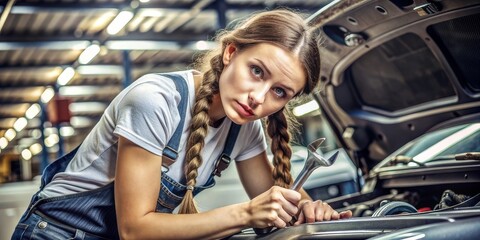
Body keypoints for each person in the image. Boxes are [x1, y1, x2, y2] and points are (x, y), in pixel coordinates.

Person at [12, 9, 352, 240]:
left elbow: (272, 199)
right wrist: (247, 213)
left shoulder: (244, 127)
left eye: (279, 91)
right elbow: (135, 229)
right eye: (257, 71)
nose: (257, 98)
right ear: (231, 52)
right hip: (54, 231)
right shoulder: (155, 100)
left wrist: (310, 210)